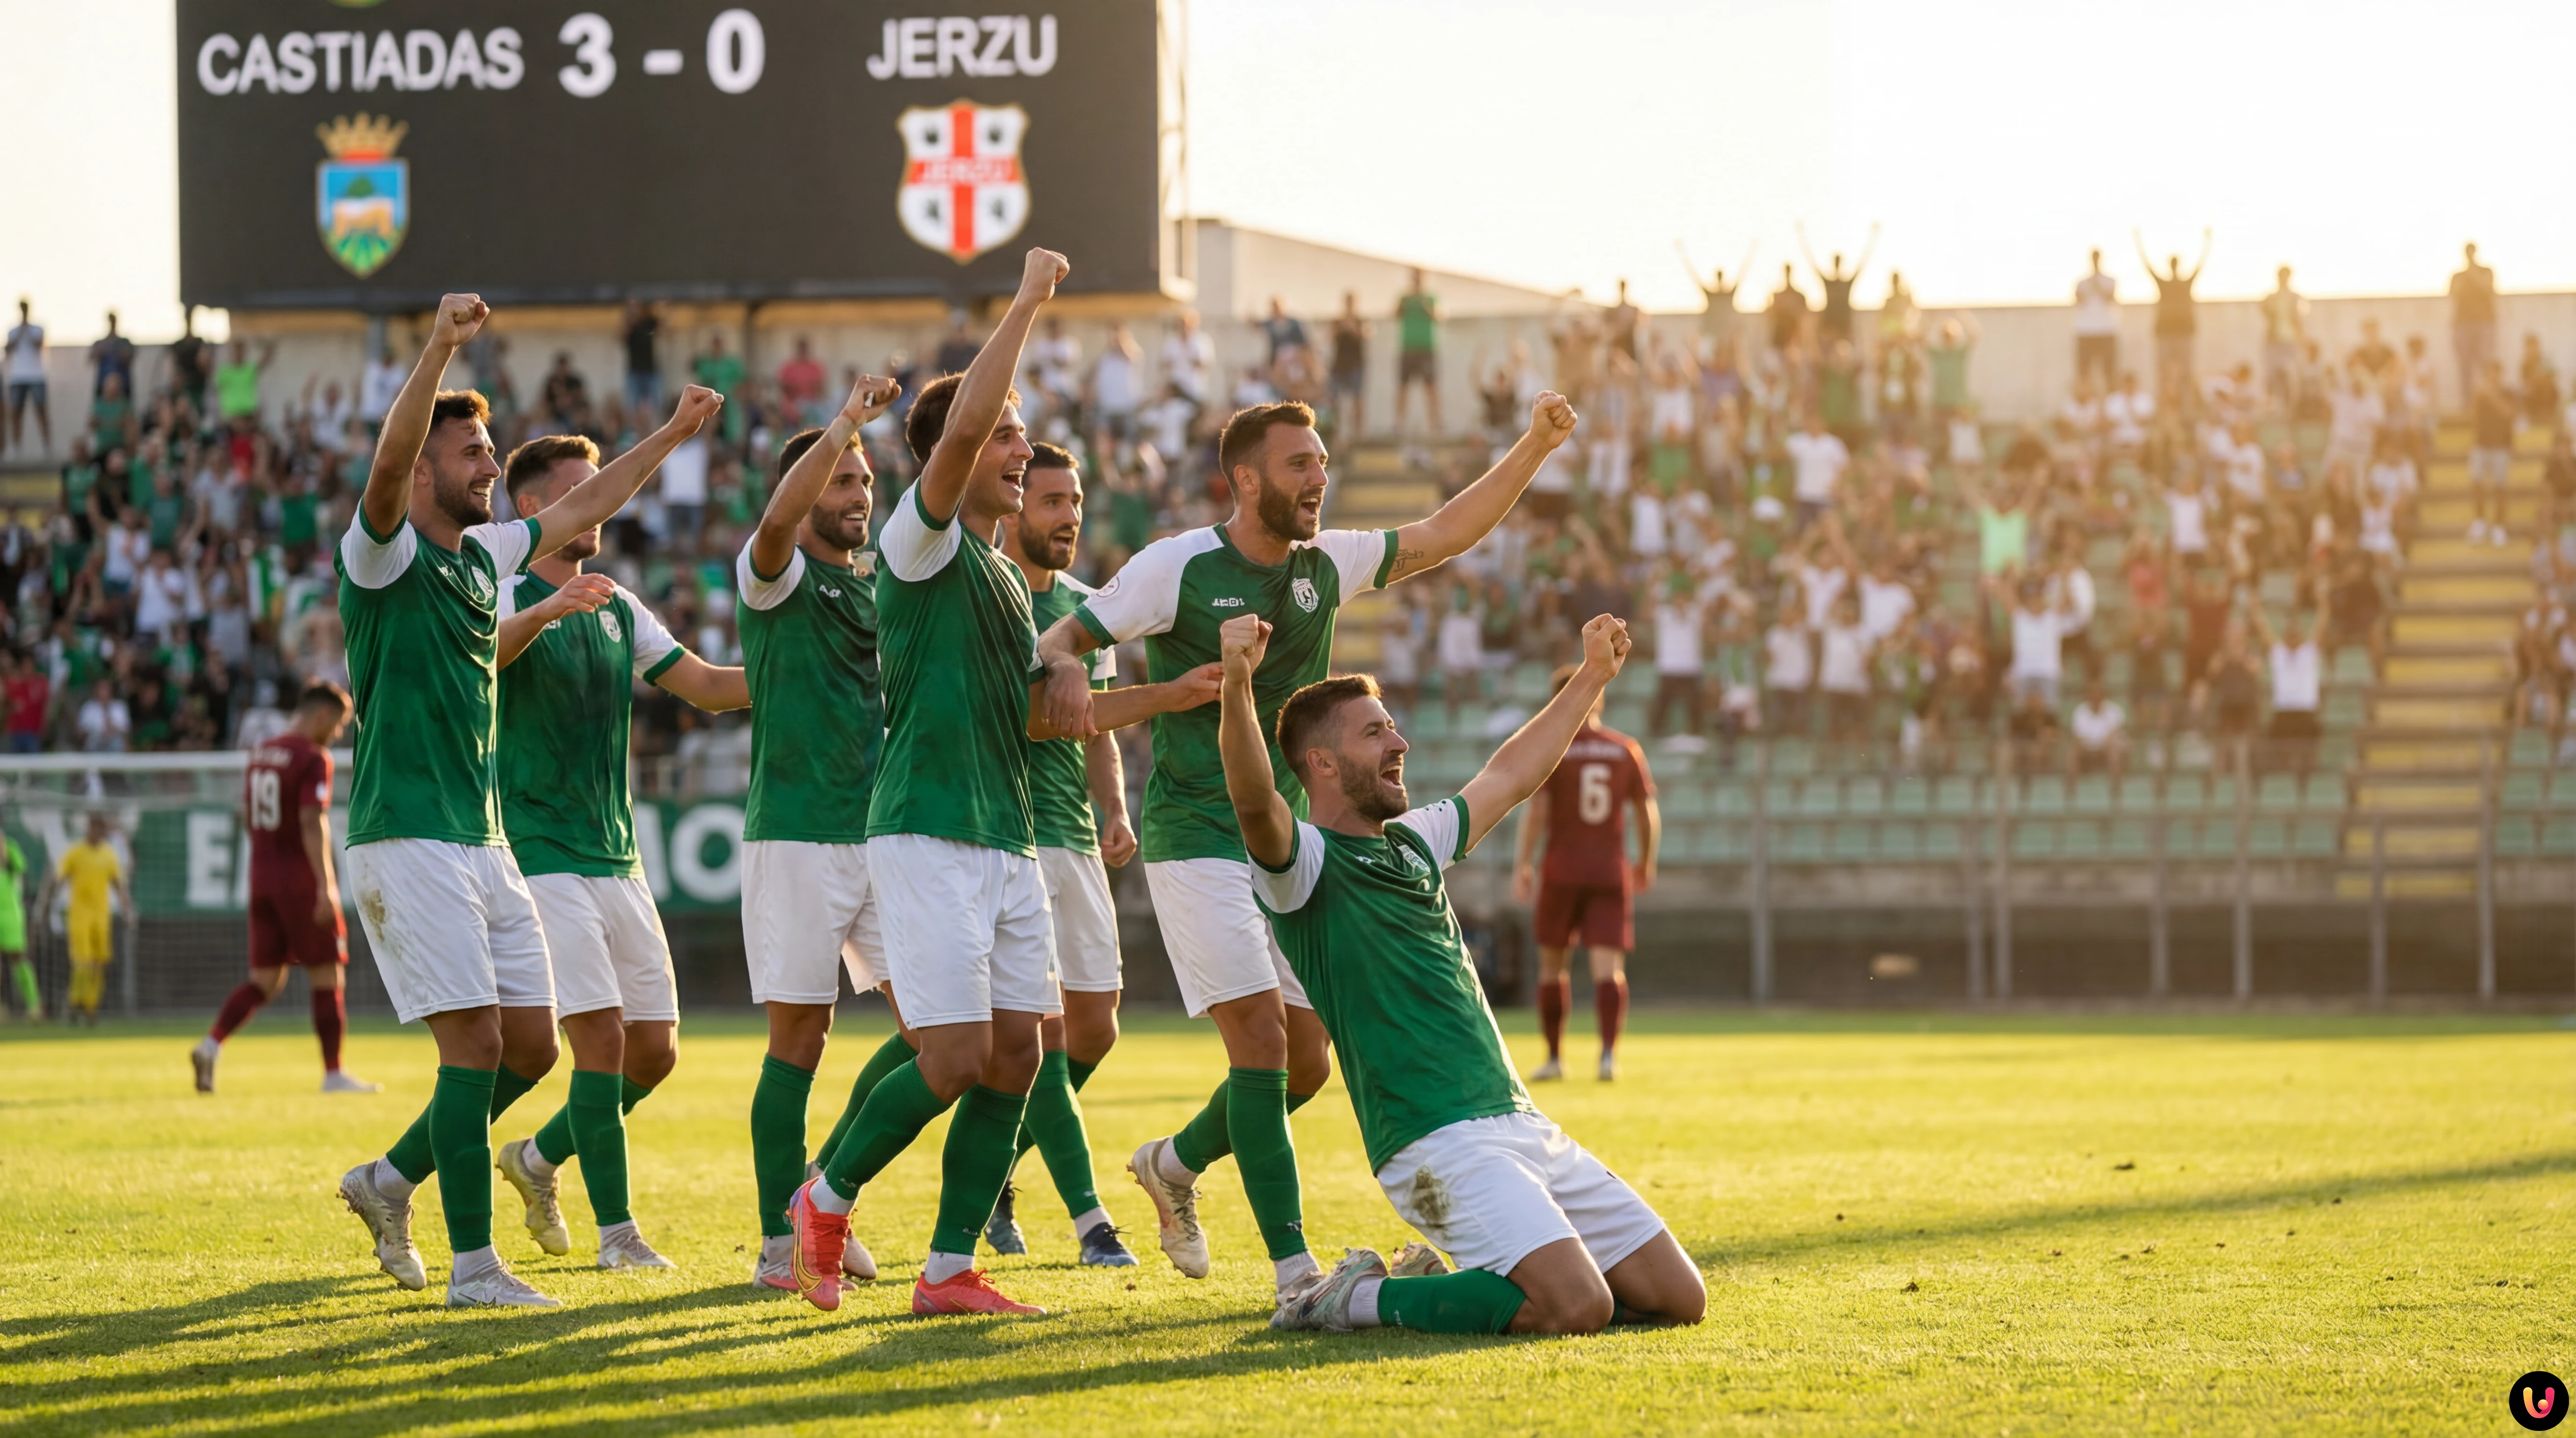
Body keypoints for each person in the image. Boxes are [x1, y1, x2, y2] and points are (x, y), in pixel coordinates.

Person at [1032, 382, 1578, 1301]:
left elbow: (1445, 535)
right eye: (1300, 463)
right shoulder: (1175, 568)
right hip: (1196, 836)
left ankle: (1172, 1164)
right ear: (1245, 481)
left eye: (1322, 460)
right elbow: (1064, 638)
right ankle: (1295, 1274)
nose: (1319, 475)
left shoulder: (1328, 560)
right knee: (1255, 1042)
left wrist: (1533, 447)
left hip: (1289, 847)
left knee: (1306, 1063)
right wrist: (1062, 676)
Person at [791, 249, 1203, 1320]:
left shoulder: (1004, 583)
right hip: (926, 831)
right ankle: (823, 1198)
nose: (1019, 448)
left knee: (1024, 1052)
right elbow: (965, 424)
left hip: (1008, 835)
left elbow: (1047, 719)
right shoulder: (919, 540)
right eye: (1008, 431)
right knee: (960, 1051)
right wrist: (1025, 301)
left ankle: (945, 1270)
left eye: (1022, 433)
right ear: (946, 453)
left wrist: (1177, 694)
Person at [331, 293, 725, 1311]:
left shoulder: (484, 556)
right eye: (471, 455)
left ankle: (385, 1183)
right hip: (408, 835)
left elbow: (584, 510)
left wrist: (674, 435)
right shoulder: (384, 553)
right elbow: (384, 467)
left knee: (534, 1046)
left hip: (484, 839)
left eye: (492, 453)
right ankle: (474, 1269)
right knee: (472, 1048)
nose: (488, 468)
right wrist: (438, 347)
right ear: (424, 468)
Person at [1223, 612, 1706, 1335]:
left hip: (1517, 1120)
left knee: (1679, 1298)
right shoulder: (1305, 864)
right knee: (1578, 1307)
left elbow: (1510, 774)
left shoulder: (1415, 843)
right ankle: (1350, 1299)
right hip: (1431, 1137)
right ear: (1322, 764)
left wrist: (1592, 677)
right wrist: (1236, 685)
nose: (1400, 744)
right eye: (1374, 734)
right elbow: (1254, 799)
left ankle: (1476, 1281)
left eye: (1393, 728)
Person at [484, 431, 754, 1274]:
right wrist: (542, 613)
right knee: (597, 1040)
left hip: (615, 851)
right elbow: (480, 659)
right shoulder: (494, 587)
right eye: (582, 491)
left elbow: (706, 688)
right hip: (539, 847)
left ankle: (534, 1158)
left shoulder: (617, 602)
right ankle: (619, 1235)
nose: (601, 503)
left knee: (655, 1051)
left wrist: (795, 667)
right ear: (535, 508)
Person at [728, 371, 905, 1296]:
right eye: (841, 479)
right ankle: (774, 1244)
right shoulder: (775, 577)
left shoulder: (880, 589)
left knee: (937, 1031)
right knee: (799, 1041)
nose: (859, 494)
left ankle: (822, 1192)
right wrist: (840, 425)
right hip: (795, 836)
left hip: (884, 836)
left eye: (867, 480)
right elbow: (770, 527)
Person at [983, 441, 1145, 1269]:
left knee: (1095, 1027)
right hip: (1009, 833)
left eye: (1074, 501)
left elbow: (1097, 726)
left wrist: (1113, 807)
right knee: (1039, 1033)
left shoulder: (1089, 609)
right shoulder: (993, 597)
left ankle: (992, 1165)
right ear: (1015, 508)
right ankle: (1090, 1222)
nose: (1068, 516)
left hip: (1075, 836)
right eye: (1050, 500)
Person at [190, 682, 377, 1093]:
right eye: (340, 724)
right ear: (322, 715)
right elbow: (313, 822)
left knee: (264, 980)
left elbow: (247, 815)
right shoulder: (313, 757)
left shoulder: (261, 753)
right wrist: (326, 886)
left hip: (260, 877)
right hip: (298, 879)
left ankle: (211, 1044)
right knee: (328, 973)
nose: (339, 734)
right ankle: (333, 1073)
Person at [1512, 664, 1659, 1084]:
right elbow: (1646, 812)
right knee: (1608, 968)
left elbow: (1538, 810)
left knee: (1551, 967)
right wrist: (1645, 860)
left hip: (1561, 870)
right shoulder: (1624, 747)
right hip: (1609, 871)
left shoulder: (1553, 750)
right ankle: (1608, 1056)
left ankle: (1555, 1058)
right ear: (1600, 697)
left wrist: (1523, 863)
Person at [46, 814, 126, 1025]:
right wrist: (47, 903)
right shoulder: (75, 853)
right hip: (80, 916)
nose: (97, 832)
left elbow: (118, 884)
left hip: (102, 916)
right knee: (82, 963)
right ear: (89, 828)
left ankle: (91, 1008)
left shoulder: (109, 855)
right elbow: (59, 879)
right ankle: (74, 1004)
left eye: (101, 829)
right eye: (94, 828)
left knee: (99, 964)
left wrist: (127, 909)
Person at [2136, 228, 2210, 407]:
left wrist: (2208, 243)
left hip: (2184, 332)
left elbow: (2201, 265)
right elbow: (2148, 266)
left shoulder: (2186, 283)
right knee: (2163, 373)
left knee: (2187, 373)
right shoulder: (2164, 284)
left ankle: (2186, 405)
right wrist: (2138, 242)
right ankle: (2163, 405)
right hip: (2165, 332)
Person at [2470, 361, 2516, 547]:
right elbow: (2471, 416)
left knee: (2500, 488)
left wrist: (2493, 397)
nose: (2493, 377)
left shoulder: (2508, 393)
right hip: (2481, 445)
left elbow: (2511, 414)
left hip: (2501, 447)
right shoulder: (2480, 395)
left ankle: (2499, 526)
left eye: (2496, 373)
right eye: (2490, 374)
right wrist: (2480, 397)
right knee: (2477, 485)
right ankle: (2480, 521)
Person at [1394, 270, 1442, 439]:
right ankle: (1399, 424)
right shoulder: (1405, 299)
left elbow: (1437, 317)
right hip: (1408, 348)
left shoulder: (1430, 298)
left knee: (1431, 387)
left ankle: (1435, 424)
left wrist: (1423, 301)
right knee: (1403, 387)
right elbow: (1395, 315)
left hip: (1426, 348)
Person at [2451, 242, 2498, 409]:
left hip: (2484, 323)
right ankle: (2467, 405)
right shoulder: (2457, 276)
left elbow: (2488, 289)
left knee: (2485, 364)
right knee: (2465, 366)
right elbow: (2454, 293)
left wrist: (2474, 274)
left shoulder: (2486, 271)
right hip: (2463, 324)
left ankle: (2488, 403)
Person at [2259, 266, 2307, 411]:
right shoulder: (2272, 297)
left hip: (2290, 341)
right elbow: (2265, 312)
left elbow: (2299, 319)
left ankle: (2292, 406)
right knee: (2272, 375)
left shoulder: (2295, 297)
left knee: (2291, 376)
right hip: (2274, 341)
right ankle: (2274, 405)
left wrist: (2302, 339)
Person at [6, 298, 48, 456]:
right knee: (16, 412)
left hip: (36, 375)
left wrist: (26, 329)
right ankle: (17, 447)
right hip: (18, 376)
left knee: (41, 410)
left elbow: (39, 345)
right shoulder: (13, 330)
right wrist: (20, 332)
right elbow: (8, 349)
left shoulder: (37, 328)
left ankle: (46, 445)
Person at [2072, 250, 2118, 390]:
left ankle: (2111, 404)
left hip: (2106, 330)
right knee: (2083, 372)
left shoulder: (2110, 281)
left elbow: (2110, 298)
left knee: (2109, 372)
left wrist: (2098, 284)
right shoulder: (2082, 283)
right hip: (2085, 331)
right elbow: (2078, 301)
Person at [1326, 293, 1369, 439]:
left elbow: (1367, 334)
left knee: (1358, 399)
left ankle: (1359, 433)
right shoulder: (1338, 321)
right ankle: (1335, 431)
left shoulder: (1361, 320)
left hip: (1356, 365)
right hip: (1339, 366)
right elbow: (1330, 336)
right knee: (1334, 400)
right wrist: (1343, 327)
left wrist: (1353, 329)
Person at [621, 301, 663, 418]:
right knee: (632, 406)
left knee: (656, 406)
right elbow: (621, 337)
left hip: (651, 370)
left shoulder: (649, 323)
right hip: (635, 371)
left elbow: (664, 331)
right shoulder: (630, 326)